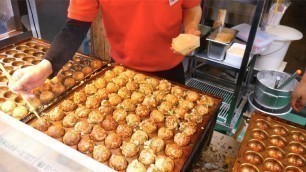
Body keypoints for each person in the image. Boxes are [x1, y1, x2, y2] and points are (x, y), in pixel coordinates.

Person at [9, 0, 202, 95]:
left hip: (171, 70)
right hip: (122, 71)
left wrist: (191, 29)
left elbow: (192, 6)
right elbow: (75, 26)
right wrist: (45, 67)